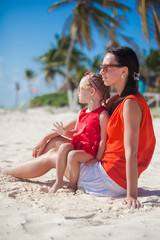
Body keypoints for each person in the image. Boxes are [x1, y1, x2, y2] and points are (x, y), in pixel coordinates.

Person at [1, 47, 156, 209]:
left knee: (54, 155)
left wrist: (131, 195)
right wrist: (46, 136)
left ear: (124, 70)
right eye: (101, 66)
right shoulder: (117, 100)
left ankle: (6, 172)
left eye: (106, 67)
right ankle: (13, 169)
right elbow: (85, 118)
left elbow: (132, 152)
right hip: (107, 168)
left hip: (111, 179)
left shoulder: (130, 104)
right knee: (55, 142)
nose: (101, 71)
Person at [49, 72, 110, 193]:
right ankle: (59, 181)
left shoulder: (102, 115)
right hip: (79, 145)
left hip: (90, 150)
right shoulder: (81, 113)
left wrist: (97, 158)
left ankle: (72, 186)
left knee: (72, 155)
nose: (77, 92)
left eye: (80, 88)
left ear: (92, 92)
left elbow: (103, 138)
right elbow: (76, 133)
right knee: (64, 147)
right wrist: (64, 132)